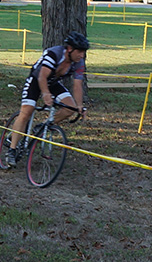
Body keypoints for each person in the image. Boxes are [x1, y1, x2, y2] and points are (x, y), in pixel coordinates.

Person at [5, 31, 89, 167]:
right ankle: (12, 150)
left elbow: (78, 85)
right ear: (69, 49)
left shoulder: (78, 62)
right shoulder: (54, 54)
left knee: (70, 108)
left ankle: (43, 126)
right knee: (27, 112)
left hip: (53, 83)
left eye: (83, 52)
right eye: (79, 51)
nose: (82, 55)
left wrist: (79, 106)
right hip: (36, 80)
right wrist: (45, 94)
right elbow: (42, 76)